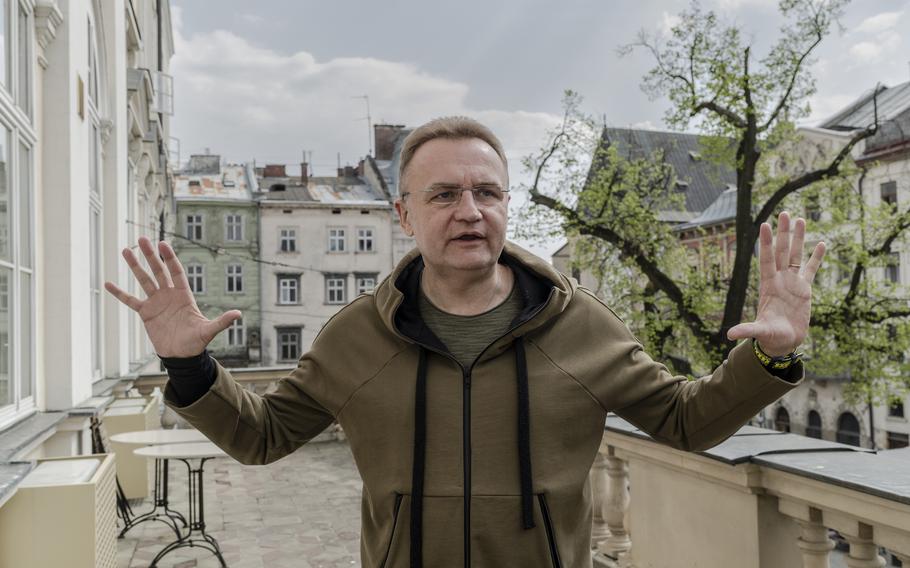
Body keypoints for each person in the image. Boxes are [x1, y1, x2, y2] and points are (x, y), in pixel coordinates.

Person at [105, 116, 823, 568]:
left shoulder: (582, 324)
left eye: (488, 192)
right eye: (444, 195)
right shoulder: (357, 334)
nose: (469, 211)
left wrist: (771, 356)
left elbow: (685, 420)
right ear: (404, 213)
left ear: (508, 206)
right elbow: (261, 437)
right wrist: (187, 362)